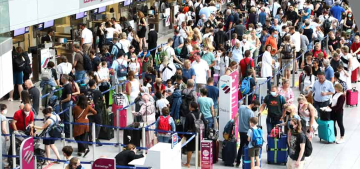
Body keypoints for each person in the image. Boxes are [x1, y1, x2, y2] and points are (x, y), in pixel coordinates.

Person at [233, 100, 260, 167]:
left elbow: (235, 116)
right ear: (253, 104)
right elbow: (251, 125)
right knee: (249, 147)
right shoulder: (251, 113)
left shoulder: (241, 107)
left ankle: (238, 162)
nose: (256, 108)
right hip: (247, 132)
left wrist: (234, 124)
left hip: (241, 131)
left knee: (241, 146)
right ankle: (248, 163)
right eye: (256, 106)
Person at [183, 101, 207, 168]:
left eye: (189, 106)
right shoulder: (201, 114)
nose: (189, 107)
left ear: (192, 107)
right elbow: (205, 123)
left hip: (191, 134)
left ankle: (188, 163)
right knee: (199, 149)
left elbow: (186, 126)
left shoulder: (188, 115)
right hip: (200, 133)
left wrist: (185, 135)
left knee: (190, 149)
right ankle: (199, 163)